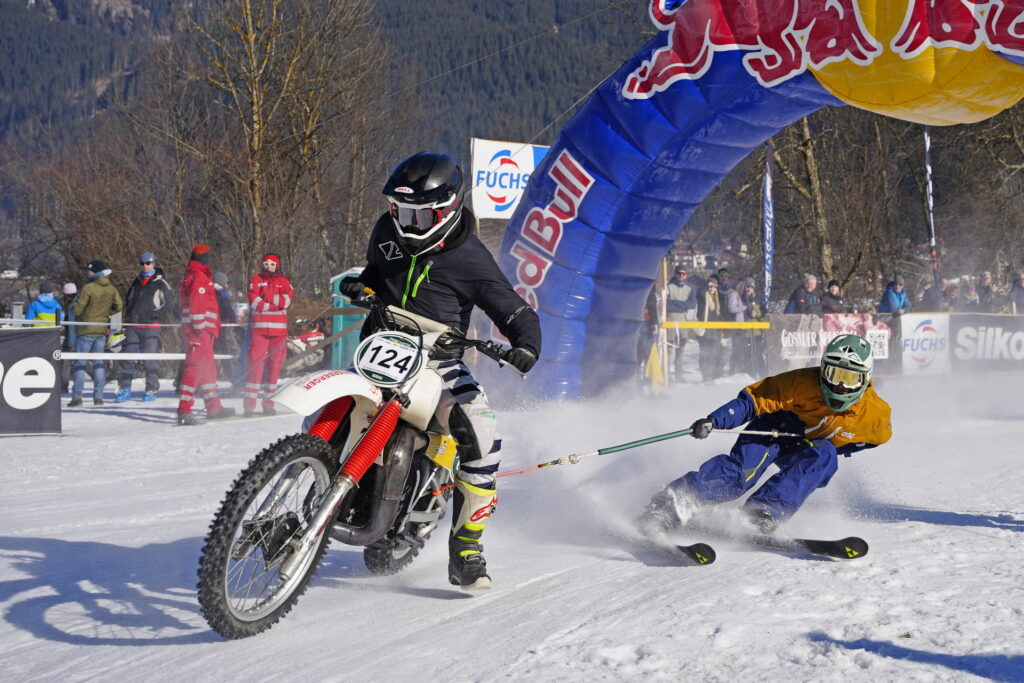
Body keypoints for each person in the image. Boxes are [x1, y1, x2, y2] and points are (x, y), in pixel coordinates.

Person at [339, 151, 541, 590]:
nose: (407, 223)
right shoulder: (384, 229)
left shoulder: (471, 258)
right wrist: (362, 284)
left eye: (420, 214)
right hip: (379, 347)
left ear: (447, 209)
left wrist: (526, 343)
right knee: (335, 404)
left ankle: (467, 547)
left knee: (483, 438)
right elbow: (377, 273)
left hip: (437, 360)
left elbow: (513, 309)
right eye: (400, 210)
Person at [638, 334, 891, 536]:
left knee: (825, 456)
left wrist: (838, 444)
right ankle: (670, 505)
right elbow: (753, 400)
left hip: (807, 444)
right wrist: (715, 420)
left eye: (850, 378)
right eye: (834, 374)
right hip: (775, 427)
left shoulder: (876, 416)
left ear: (866, 380)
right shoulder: (801, 383)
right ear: (822, 369)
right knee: (741, 475)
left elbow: (869, 441)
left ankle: (763, 512)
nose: (840, 386)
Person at [177, 244, 234, 425]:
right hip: (199, 332)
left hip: (204, 332)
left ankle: (213, 407)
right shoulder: (199, 277)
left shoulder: (193, 275)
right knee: (193, 369)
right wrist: (200, 328)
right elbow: (197, 305)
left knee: (208, 370)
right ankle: (184, 411)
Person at [115, 251, 175, 402]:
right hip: (134, 325)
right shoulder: (136, 281)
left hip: (151, 326)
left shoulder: (161, 282)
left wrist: (157, 315)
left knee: (149, 358)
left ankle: (151, 388)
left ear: (154, 264)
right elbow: (128, 300)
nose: (145, 266)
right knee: (128, 357)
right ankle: (125, 388)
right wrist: (128, 316)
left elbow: (171, 303)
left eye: (148, 263)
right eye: (142, 263)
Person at [243, 254, 294, 417]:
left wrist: (266, 299)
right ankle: (249, 406)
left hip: (279, 333)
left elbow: (286, 301)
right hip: (259, 332)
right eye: (265, 263)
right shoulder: (256, 280)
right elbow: (254, 302)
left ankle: (268, 404)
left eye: (272, 264)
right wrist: (274, 305)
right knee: (255, 367)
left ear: (277, 265)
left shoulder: (284, 281)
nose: (268, 266)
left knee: (274, 368)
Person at [68, 260, 124, 407]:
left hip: (85, 330)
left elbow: (77, 310)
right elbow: (119, 305)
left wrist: (78, 310)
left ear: (96, 272)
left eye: (90, 270)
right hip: (101, 331)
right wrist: (105, 314)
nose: (87, 272)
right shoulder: (111, 289)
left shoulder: (88, 288)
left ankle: (77, 397)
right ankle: (98, 397)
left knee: (80, 363)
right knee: (99, 363)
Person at [666, 266, 696, 381]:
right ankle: (667, 374)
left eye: (684, 273)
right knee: (669, 348)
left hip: (683, 321)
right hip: (670, 320)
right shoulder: (668, 286)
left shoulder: (690, 289)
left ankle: (679, 374)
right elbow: (667, 304)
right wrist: (682, 304)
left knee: (681, 348)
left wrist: (676, 304)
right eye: (679, 273)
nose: (681, 275)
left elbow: (692, 304)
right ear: (675, 273)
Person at [695, 274, 727, 381]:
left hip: (716, 330)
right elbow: (700, 293)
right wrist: (706, 286)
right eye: (709, 286)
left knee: (715, 352)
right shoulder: (703, 297)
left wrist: (721, 330)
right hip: (705, 329)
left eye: (713, 286)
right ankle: (705, 374)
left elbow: (721, 314)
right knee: (705, 352)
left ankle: (713, 374)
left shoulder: (718, 298)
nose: (711, 288)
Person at [213, 271, 240, 378]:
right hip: (220, 327)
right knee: (224, 350)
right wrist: (235, 320)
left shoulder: (208, 291)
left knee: (211, 352)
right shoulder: (222, 294)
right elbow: (228, 309)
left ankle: (209, 377)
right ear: (221, 283)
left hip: (208, 327)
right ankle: (231, 376)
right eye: (226, 283)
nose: (227, 285)